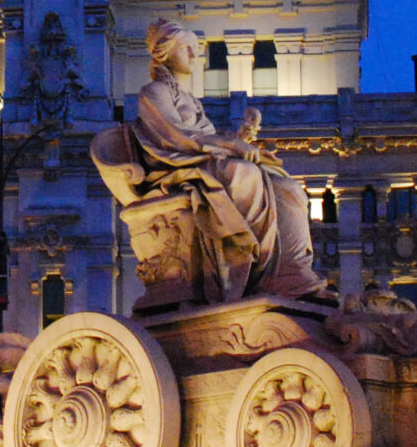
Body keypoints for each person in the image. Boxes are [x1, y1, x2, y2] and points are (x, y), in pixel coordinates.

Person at [107, 19, 330, 301]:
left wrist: (241, 138)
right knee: (242, 174)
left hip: (200, 163)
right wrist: (231, 145)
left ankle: (290, 270)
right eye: (187, 48)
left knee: (286, 187)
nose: (193, 56)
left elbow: (207, 140)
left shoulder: (192, 100)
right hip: (175, 168)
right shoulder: (154, 94)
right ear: (165, 52)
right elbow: (175, 136)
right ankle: (250, 267)